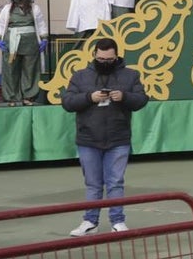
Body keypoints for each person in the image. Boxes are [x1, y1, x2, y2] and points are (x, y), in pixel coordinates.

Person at [62, 38, 149, 235]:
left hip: (118, 139)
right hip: (88, 139)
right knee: (92, 183)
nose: (104, 62)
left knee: (115, 182)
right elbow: (67, 102)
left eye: (109, 59)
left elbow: (142, 99)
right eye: (101, 58)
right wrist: (89, 97)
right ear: (94, 55)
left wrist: (124, 97)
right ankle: (89, 221)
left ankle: (117, 221)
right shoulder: (80, 76)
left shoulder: (131, 75)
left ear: (116, 56)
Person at [0, 0, 48, 106]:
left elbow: (40, 24)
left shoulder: (35, 8)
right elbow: (0, 24)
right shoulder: (7, 9)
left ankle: (29, 97)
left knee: (30, 70)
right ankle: (11, 98)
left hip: (30, 43)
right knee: (10, 70)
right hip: (11, 42)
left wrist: (44, 38)